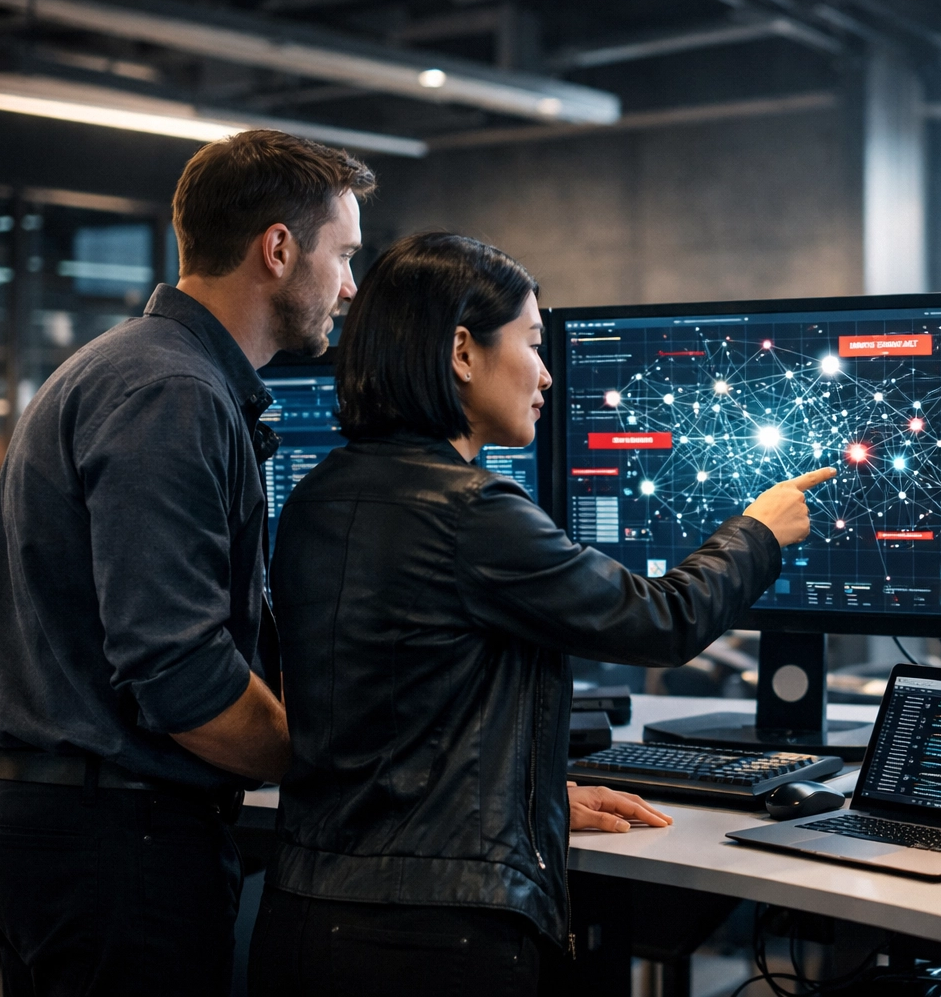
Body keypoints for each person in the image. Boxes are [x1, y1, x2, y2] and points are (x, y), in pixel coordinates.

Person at [247, 232, 832, 996]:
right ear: (462, 351)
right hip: (433, 942)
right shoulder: (471, 512)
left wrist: (526, 797)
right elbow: (661, 622)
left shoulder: (319, 495)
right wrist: (759, 532)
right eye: (531, 342)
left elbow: (392, 715)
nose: (548, 374)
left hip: (305, 919)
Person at [0, 129, 375, 996]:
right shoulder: (172, 393)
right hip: (115, 838)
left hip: (76, 828)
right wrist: (346, 770)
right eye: (343, 257)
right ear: (277, 248)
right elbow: (178, 672)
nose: (348, 286)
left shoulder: (139, 368)